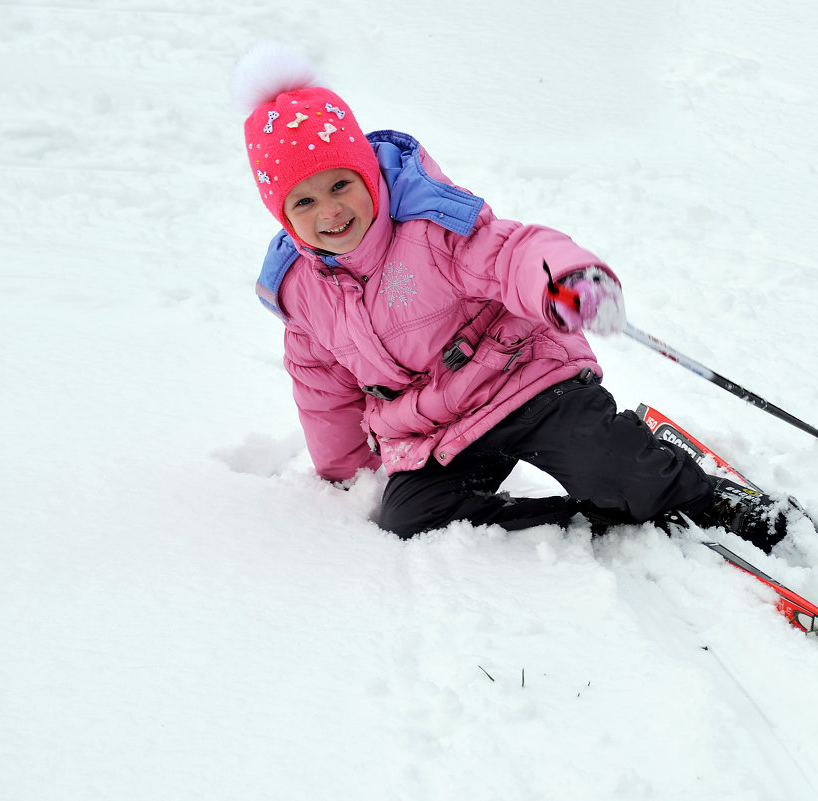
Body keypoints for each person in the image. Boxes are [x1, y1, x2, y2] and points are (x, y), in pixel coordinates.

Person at [233, 42, 789, 551]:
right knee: (411, 520)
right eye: (302, 203)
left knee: (610, 466)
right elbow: (322, 391)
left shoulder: (430, 228)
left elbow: (511, 253)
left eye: (339, 185)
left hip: (522, 379)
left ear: (369, 176)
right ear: (280, 216)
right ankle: (584, 520)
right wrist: (346, 476)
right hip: (434, 431)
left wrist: (564, 280)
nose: (329, 212)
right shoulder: (301, 294)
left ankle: (701, 499)